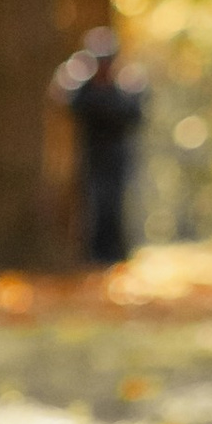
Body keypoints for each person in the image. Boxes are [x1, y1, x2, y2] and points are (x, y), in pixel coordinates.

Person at [56, 30, 146, 267]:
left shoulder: (125, 86)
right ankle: (93, 257)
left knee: (114, 205)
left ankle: (116, 255)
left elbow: (135, 116)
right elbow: (68, 104)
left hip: (117, 157)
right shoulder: (83, 87)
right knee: (92, 207)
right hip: (90, 157)